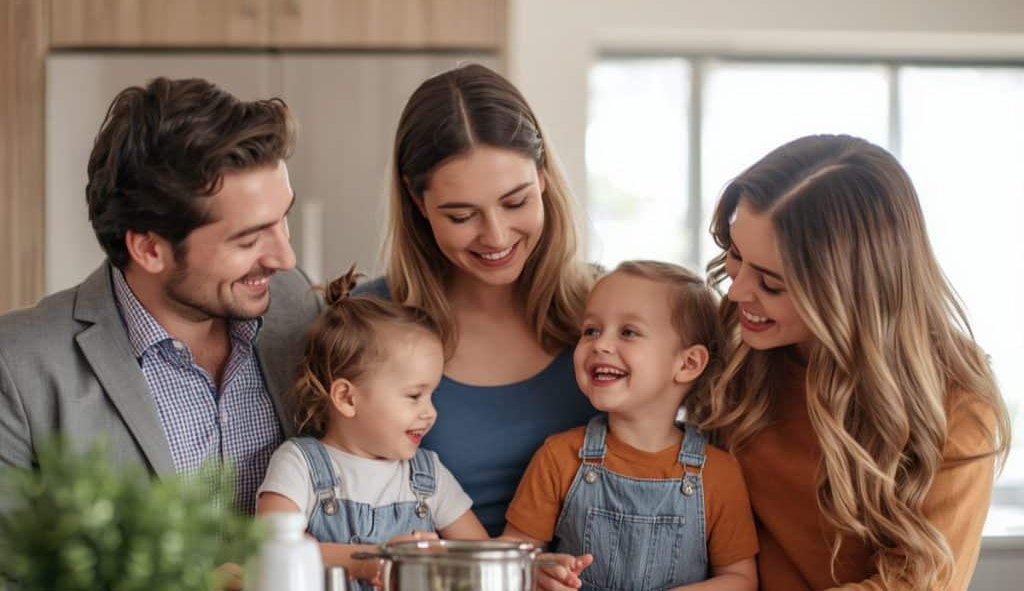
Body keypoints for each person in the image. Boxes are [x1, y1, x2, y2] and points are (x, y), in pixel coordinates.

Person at [698, 134, 1010, 590]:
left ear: (850, 293)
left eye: (771, 284)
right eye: (736, 256)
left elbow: (917, 584)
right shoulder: (735, 345)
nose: (737, 291)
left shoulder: (955, 406)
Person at [0, 78, 322, 514]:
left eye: (282, 219)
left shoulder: (297, 304)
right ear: (150, 249)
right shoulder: (19, 367)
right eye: (248, 241)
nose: (285, 257)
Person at [354, 64, 596, 537]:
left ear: (542, 176)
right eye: (462, 215)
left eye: (515, 202)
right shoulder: (369, 324)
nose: (497, 236)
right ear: (417, 201)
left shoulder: (605, 311)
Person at [505, 261, 759, 591]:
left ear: (688, 363)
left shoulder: (719, 474)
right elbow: (512, 558)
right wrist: (539, 570)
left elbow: (741, 580)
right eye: (591, 330)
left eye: (628, 332)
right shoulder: (558, 456)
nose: (600, 344)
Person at [256, 267, 488, 587]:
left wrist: (536, 566)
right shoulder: (300, 464)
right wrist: (369, 562)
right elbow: (272, 548)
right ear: (347, 398)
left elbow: (482, 555)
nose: (430, 412)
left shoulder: (427, 476)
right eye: (414, 396)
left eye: (432, 395)